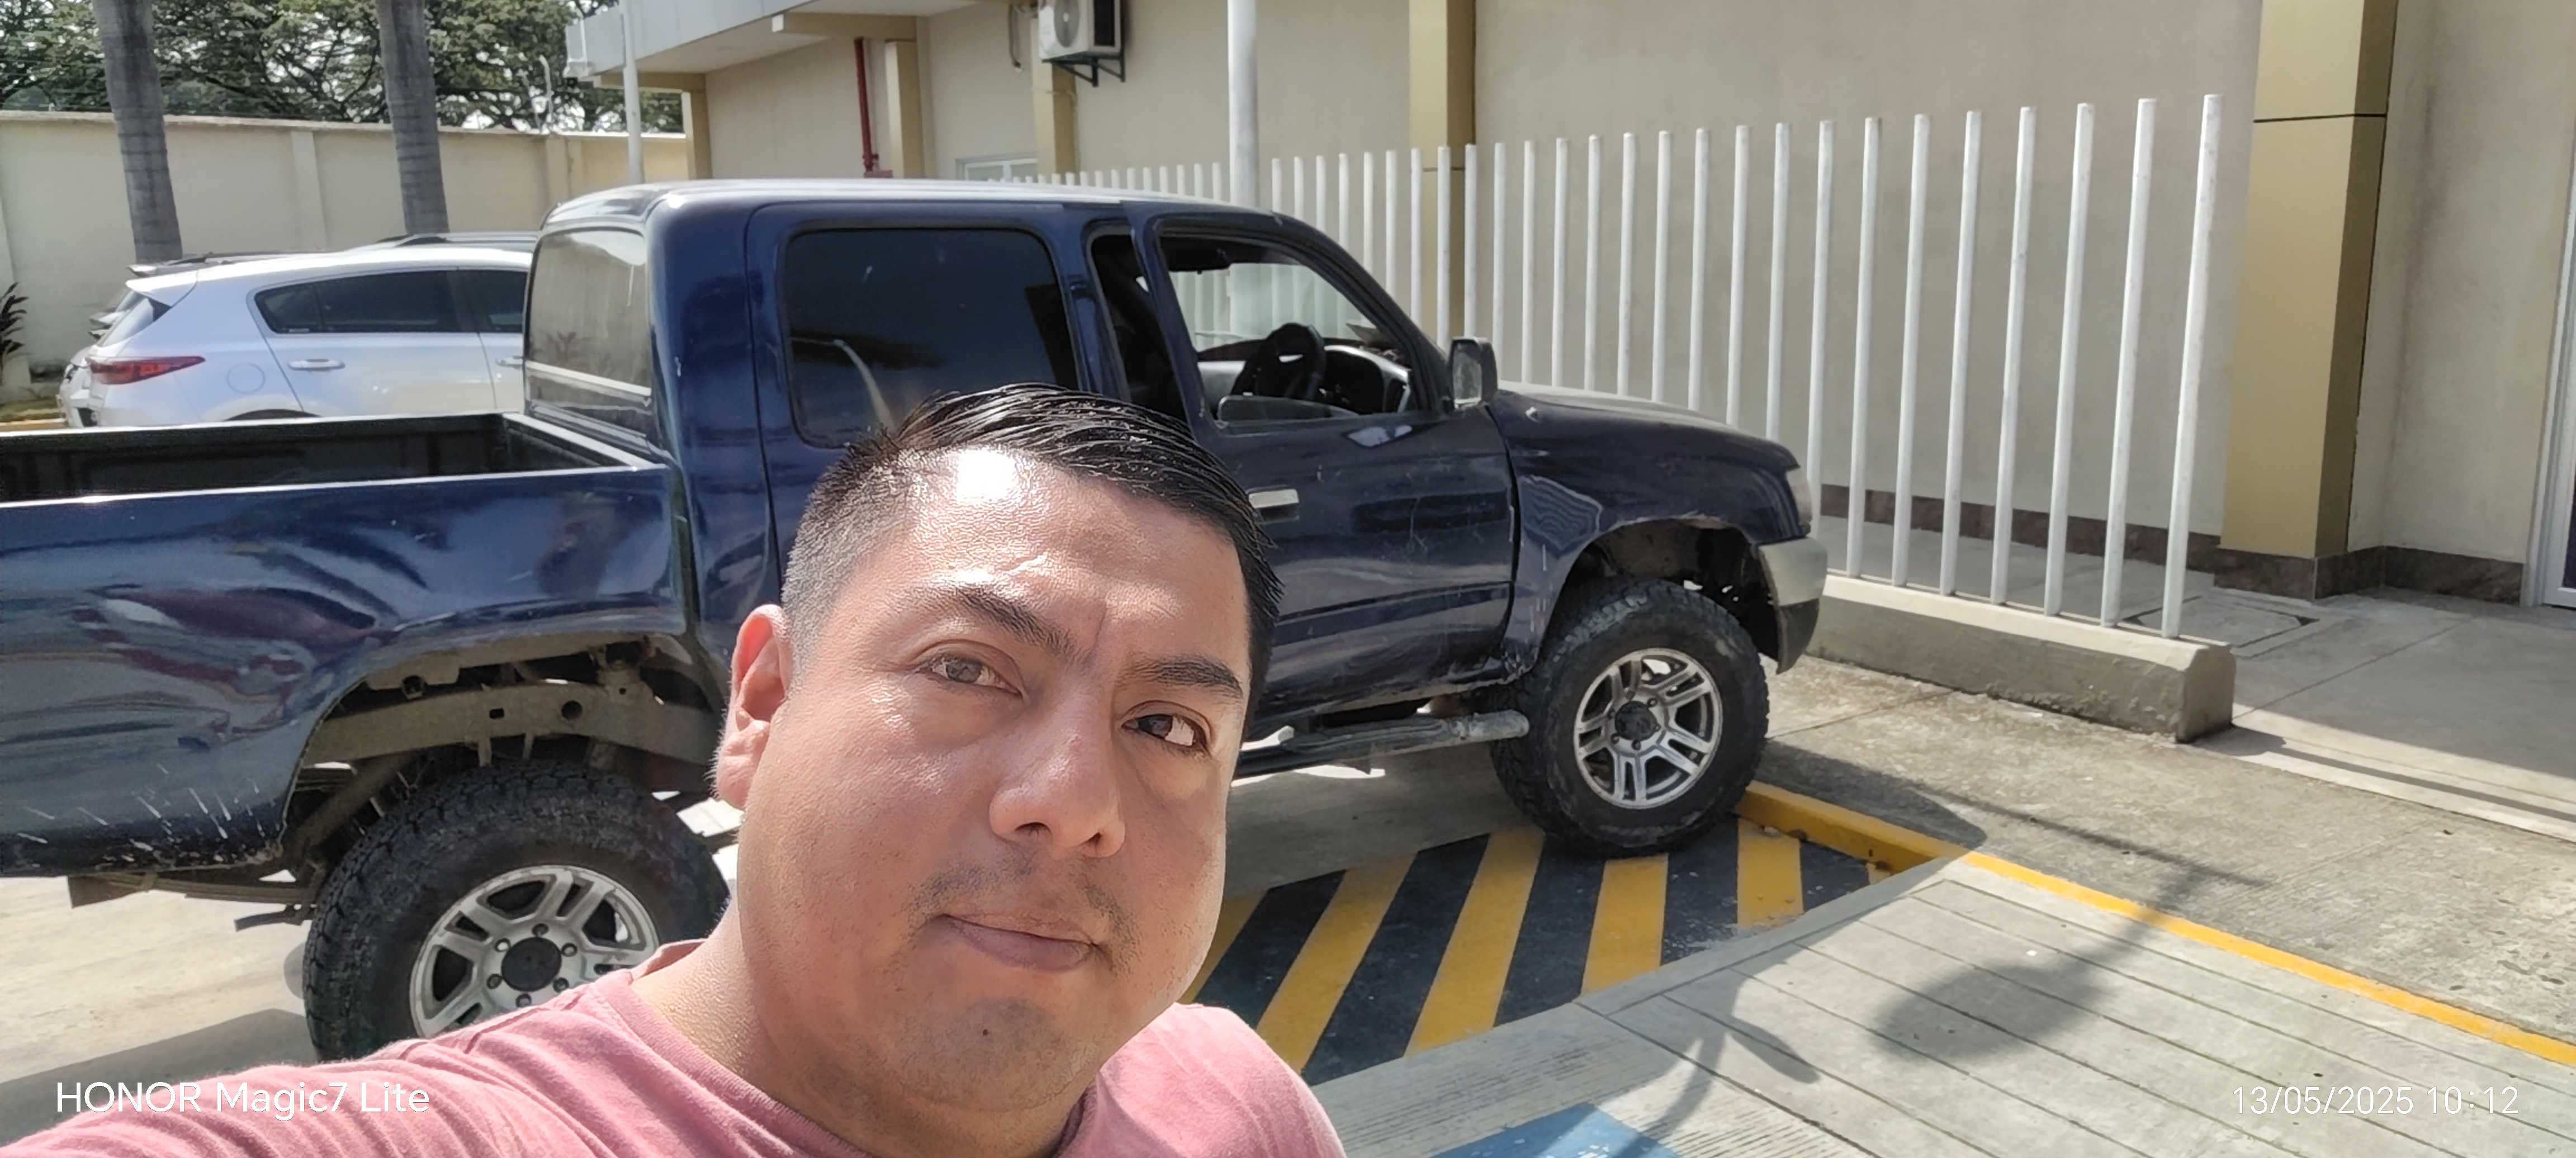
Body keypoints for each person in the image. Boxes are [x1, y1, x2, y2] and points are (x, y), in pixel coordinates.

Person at [8, 385, 1342, 1157]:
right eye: (967, 668)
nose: (1075, 800)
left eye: (1169, 726)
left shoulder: (1235, 1102)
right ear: (760, 704)